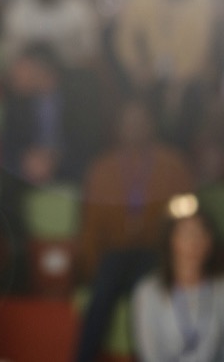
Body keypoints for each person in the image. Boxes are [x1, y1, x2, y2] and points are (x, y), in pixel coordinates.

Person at [74, 100, 194, 362]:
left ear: (151, 126)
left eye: (141, 122)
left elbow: (186, 218)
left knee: (146, 299)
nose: (134, 128)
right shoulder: (101, 168)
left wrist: (178, 260)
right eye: (128, 123)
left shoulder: (173, 164)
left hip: (156, 252)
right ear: (118, 129)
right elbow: (90, 226)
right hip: (115, 254)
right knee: (101, 294)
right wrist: (91, 266)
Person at [114, 0, 213, 148]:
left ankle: (178, 161)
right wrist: (138, 69)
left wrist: (177, 82)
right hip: (147, 77)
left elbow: (200, 51)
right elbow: (125, 41)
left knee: (191, 98)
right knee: (144, 100)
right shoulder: (141, 0)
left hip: (186, 82)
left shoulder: (201, 2)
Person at [132, 197, 224, 362]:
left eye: (200, 233)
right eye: (185, 233)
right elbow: (150, 356)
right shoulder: (148, 292)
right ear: (170, 241)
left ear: (210, 241)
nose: (193, 242)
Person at [2, 0, 99, 69]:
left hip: (73, 71)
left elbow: (90, 52)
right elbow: (12, 55)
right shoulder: (18, 12)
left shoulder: (79, 8)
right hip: (35, 75)